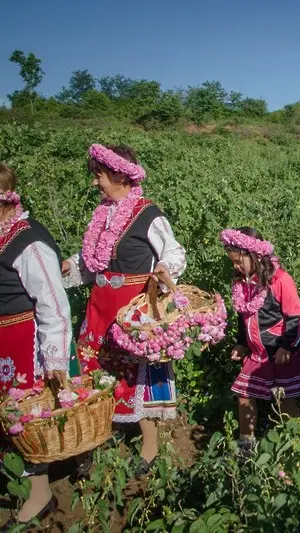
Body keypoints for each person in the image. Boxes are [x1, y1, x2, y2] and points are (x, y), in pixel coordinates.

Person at [62, 144, 186, 477]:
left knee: (136, 371)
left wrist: (162, 270)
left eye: (99, 176)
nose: (95, 184)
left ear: (119, 175)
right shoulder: (103, 213)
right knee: (94, 369)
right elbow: (94, 260)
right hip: (100, 308)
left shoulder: (148, 214)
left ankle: (149, 446)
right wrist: (68, 266)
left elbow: (174, 254)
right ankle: (95, 438)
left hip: (131, 310)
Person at [0, 164, 71, 528]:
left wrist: (55, 358)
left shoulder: (28, 241)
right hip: (3, 342)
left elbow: (53, 303)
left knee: (25, 417)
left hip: (21, 342)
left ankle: (39, 491)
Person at [220, 227, 300, 455]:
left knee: (284, 399)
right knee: (244, 396)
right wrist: (240, 342)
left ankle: (295, 444)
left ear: (255, 256)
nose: (235, 267)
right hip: (256, 352)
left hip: (278, 351)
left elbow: (296, 316)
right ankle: (246, 443)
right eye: (233, 263)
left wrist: (288, 346)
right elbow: (243, 315)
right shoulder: (242, 282)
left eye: (238, 262)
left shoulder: (280, 280)